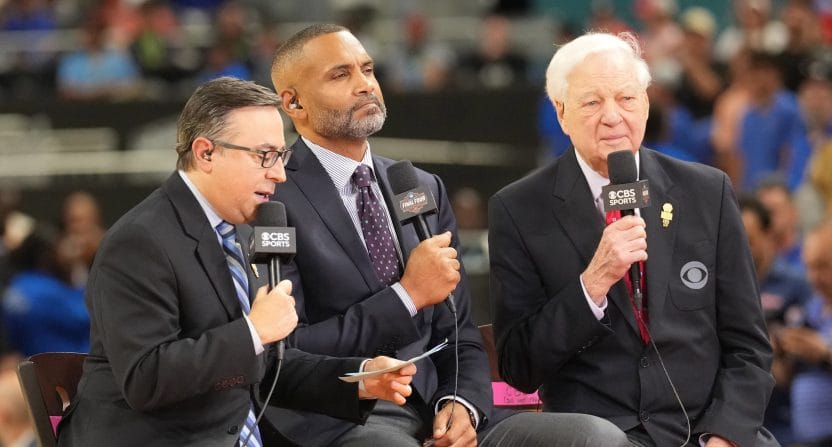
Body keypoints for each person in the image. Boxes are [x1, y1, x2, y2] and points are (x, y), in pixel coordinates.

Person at [265, 24, 627, 447]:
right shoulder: (272, 196)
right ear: (293, 102)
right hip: (345, 417)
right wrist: (407, 296)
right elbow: (287, 348)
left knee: (595, 438)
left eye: (368, 69)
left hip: (436, 409)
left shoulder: (420, 187)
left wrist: (460, 404)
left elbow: (459, 332)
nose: (365, 85)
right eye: (340, 75)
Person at [56, 77, 417, 446]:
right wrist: (254, 331)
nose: (279, 173)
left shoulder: (242, 231)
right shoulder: (139, 241)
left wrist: (360, 377)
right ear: (206, 153)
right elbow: (146, 379)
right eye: (264, 155)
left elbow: (266, 368)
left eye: (281, 155)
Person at [489, 32, 777, 447]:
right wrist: (592, 285)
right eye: (592, 102)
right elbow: (518, 366)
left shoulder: (706, 191)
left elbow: (749, 346)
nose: (612, 117)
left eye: (626, 98)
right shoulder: (518, 209)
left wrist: (724, 435)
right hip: (604, 435)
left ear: (645, 103)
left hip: (707, 429)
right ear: (561, 112)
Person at [775, 219, 832, 446]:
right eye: (810, 267)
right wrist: (779, 353)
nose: (815, 277)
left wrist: (824, 354)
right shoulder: (812, 308)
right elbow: (785, 379)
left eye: (823, 266)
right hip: (805, 438)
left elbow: (823, 354)